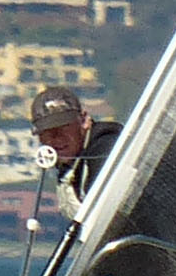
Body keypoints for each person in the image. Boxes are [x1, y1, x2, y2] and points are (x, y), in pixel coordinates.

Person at [32, 86, 120, 221]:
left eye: (64, 128)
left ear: (84, 121)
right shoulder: (70, 164)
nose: (57, 138)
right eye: (47, 132)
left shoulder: (106, 150)